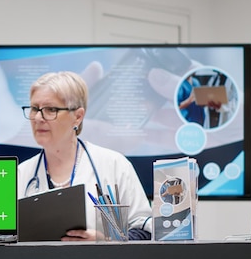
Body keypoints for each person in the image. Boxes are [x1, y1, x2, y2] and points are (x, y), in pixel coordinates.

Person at [17, 71, 152, 241]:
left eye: (50, 109)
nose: (38, 117)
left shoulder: (114, 165)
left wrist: (104, 241)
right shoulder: (20, 174)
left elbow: (144, 231)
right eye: (35, 108)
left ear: (78, 116)